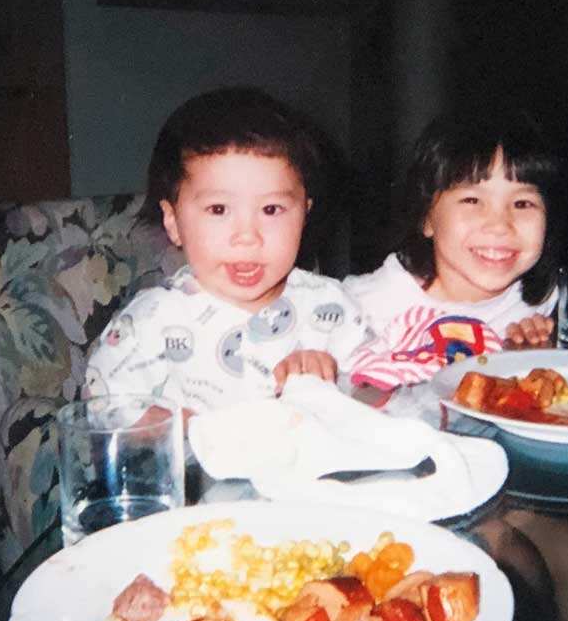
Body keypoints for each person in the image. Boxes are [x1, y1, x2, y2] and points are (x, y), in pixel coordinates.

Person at [85, 87, 370, 412]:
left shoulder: (332, 307)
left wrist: (337, 383)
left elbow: (387, 394)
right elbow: (103, 409)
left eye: (271, 209)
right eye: (218, 209)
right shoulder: (151, 322)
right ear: (173, 221)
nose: (247, 237)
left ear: (304, 214)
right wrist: (180, 426)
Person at [343, 108, 562, 390]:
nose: (500, 225)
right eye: (472, 200)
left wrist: (542, 353)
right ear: (426, 217)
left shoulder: (543, 304)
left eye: (522, 204)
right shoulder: (359, 307)